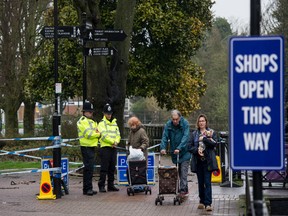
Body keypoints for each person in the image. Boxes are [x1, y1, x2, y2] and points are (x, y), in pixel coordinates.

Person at [188, 114, 218, 212]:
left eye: (203, 121)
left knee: (207, 182)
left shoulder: (211, 132)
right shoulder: (194, 134)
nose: (201, 122)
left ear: (206, 122)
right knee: (200, 182)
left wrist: (204, 139)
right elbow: (189, 147)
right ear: (198, 122)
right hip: (198, 161)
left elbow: (214, 144)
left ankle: (208, 203)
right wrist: (197, 150)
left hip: (208, 161)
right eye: (200, 121)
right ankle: (202, 200)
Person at [160, 109, 191, 195]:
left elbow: (186, 137)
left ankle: (183, 190)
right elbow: (165, 137)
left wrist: (180, 147)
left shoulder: (185, 124)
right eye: (173, 119)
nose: (175, 121)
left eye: (176, 119)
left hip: (185, 152)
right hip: (175, 153)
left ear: (180, 118)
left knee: (183, 172)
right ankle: (184, 188)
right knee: (178, 172)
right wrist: (163, 148)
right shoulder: (168, 125)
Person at [77, 101, 101, 196]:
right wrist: (98, 134)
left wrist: (96, 133)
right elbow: (89, 134)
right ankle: (87, 188)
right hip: (86, 146)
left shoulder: (92, 121)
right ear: (84, 112)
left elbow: (95, 132)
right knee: (88, 168)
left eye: (92, 112)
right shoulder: (82, 121)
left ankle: (88, 188)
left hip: (91, 146)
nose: (91, 113)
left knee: (90, 168)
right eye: (89, 112)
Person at [97, 103, 121, 192]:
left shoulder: (114, 123)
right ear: (104, 113)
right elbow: (103, 135)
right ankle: (101, 185)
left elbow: (118, 134)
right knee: (104, 168)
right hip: (105, 148)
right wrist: (113, 142)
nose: (109, 115)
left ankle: (111, 185)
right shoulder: (101, 124)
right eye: (107, 113)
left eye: (110, 113)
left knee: (112, 167)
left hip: (113, 148)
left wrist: (116, 142)